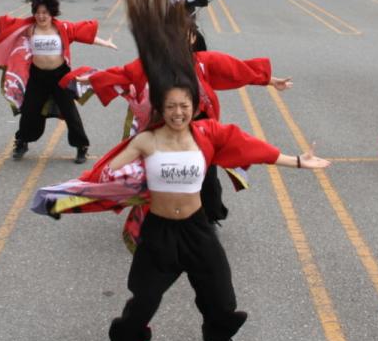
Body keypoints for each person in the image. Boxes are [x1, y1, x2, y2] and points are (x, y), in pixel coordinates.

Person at [30, 0, 329, 341]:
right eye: (171, 106)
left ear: (193, 106)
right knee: (144, 299)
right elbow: (103, 174)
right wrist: (72, 196)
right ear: (161, 106)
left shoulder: (207, 124)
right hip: (159, 231)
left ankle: (220, 334)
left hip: (197, 226)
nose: (178, 111)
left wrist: (295, 159)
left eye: (184, 106)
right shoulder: (147, 139)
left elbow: (248, 139)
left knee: (219, 293)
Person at [68, 19, 292, 228]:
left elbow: (237, 69)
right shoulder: (153, 64)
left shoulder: (204, 62)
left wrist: (270, 80)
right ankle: (154, 215)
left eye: (185, 35)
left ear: (193, 38)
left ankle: (208, 216)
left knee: (207, 176)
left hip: (200, 127)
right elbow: (124, 74)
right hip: (166, 124)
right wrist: (93, 78)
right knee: (157, 172)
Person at [0, 0, 117, 164]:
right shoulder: (29, 29)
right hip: (37, 76)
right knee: (29, 110)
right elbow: (8, 30)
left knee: (70, 112)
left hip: (60, 76)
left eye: (45, 12)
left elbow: (85, 35)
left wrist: (105, 43)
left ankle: (81, 146)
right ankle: (22, 142)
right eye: (37, 12)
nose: (41, 16)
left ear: (52, 13)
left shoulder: (63, 28)